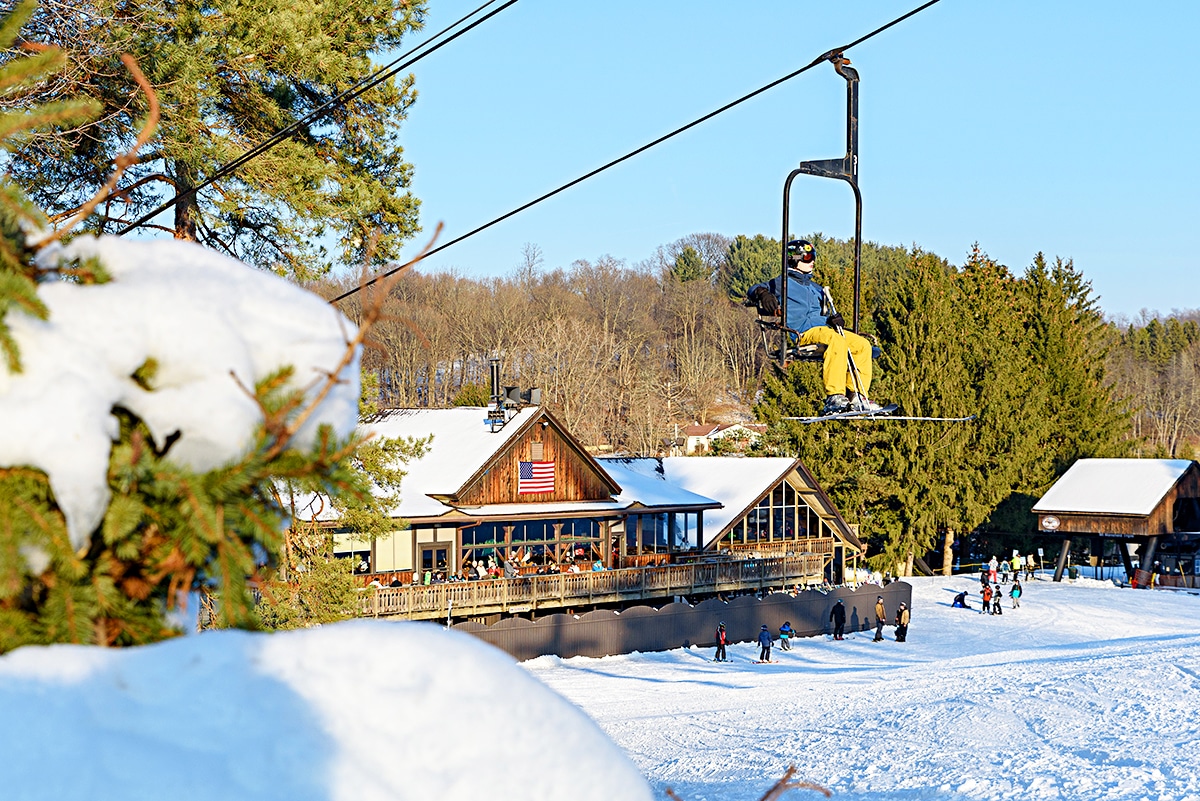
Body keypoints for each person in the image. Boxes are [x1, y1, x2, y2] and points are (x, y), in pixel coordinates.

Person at [747, 239, 883, 415]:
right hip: (804, 332)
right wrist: (763, 294)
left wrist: (832, 320)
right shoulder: (783, 283)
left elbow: (821, 314)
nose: (812, 261)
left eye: (814, 257)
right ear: (795, 259)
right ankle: (835, 395)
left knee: (862, 345)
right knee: (836, 340)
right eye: (808, 257)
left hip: (824, 330)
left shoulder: (816, 288)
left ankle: (856, 395)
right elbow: (753, 289)